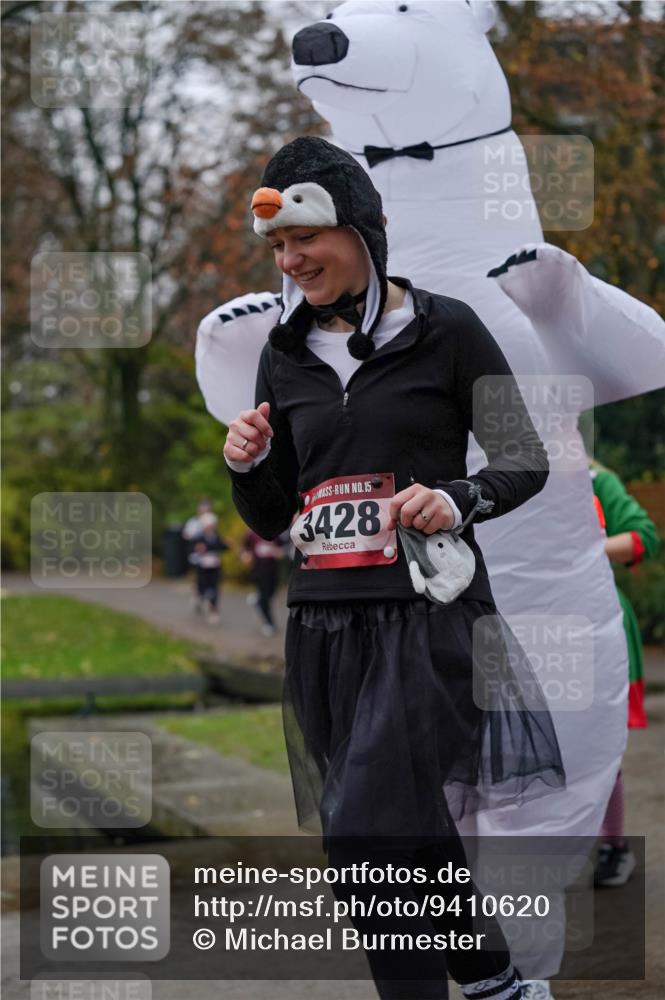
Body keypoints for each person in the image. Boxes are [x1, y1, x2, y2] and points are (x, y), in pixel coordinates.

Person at [222, 137, 565, 1000]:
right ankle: (498, 984)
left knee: (365, 840)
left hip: (428, 620)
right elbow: (274, 517)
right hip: (325, 629)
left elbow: (524, 458)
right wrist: (246, 465)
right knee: (407, 831)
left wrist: (457, 497)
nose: (291, 261)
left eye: (307, 240)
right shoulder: (282, 351)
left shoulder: (445, 327)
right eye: (277, 249)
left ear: (363, 231)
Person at [590, 459, 660, 887]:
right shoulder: (504, 475)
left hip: (599, 623)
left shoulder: (598, 480)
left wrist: (581, 553)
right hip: (532, 625)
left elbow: (643, 536)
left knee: (602, 745)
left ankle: (612, 845)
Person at [240, 529, 285, 636]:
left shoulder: (274, 534)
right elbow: (243, 549)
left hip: (273, 571)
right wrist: (245, 556)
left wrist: (278, 551)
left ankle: (257, 601)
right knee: (265, 599)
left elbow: (282, 548)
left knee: (270, 595)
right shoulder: (251, 535)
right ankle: (269, 624)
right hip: (258, 571)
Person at [188, 511, 228, 624]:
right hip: (203, 568)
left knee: (214, 589)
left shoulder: (217, 537)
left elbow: (223, 547)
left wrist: (227, 545)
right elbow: (192, 553)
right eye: (208, 526)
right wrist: (198, 552)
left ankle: (213, 612)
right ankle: (199, 598)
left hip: (215, 567)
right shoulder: (199, 538)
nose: (210, 528)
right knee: (203, 588)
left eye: (212, 526)